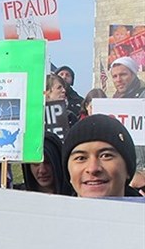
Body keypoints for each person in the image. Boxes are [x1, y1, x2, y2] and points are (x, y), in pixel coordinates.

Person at [62, 114, 141, 198]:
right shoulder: (54, 206)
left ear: (128, 168)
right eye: (81, 158)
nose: (93, 169)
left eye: (106, 156)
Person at [107, 57, 145, 192]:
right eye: (115, 76)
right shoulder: (114, 102)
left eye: (123, 74)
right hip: (127, 175)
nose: (118, 79)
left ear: (133, 75)